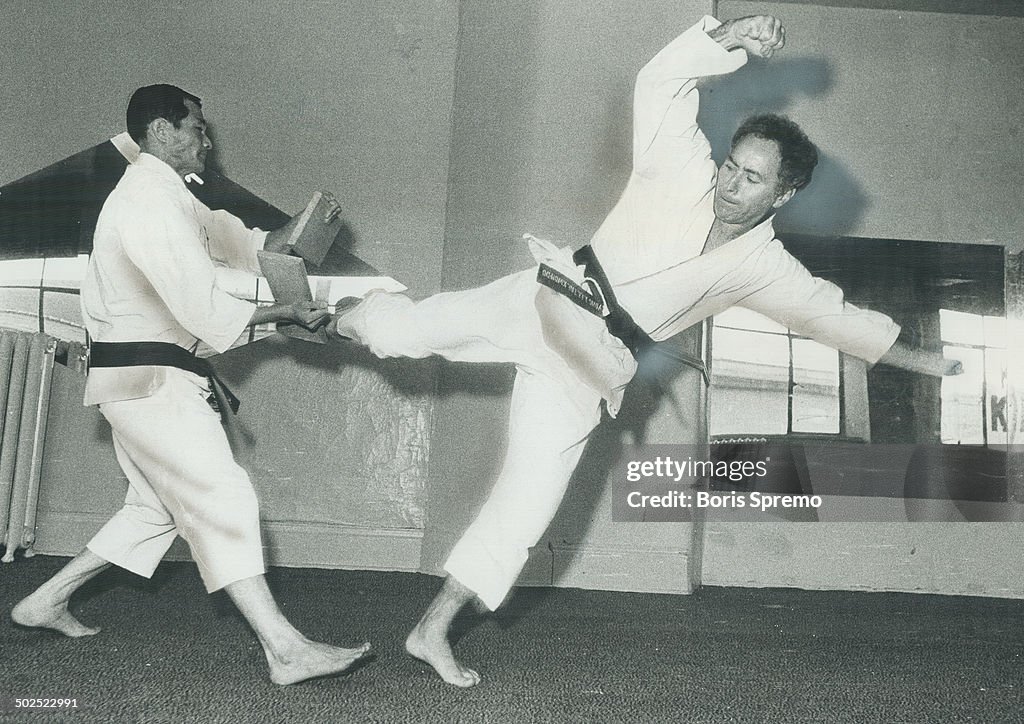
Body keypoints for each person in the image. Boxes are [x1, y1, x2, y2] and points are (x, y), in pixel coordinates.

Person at [329, 15, 959, 686]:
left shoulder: (764, 267)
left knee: (526, 505)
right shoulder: (678, 165)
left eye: (753, 179)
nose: (730, 184)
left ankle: (431, 630)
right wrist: (733, 37)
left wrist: (930, 363)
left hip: (587, 364)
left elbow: (835, 319)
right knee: (394, 333)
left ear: (786, 193)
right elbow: (659, 79)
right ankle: (309, 303)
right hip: (542, 297)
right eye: (732, 166)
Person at [10, 84, 370, 686]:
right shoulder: (146, 200)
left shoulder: (176, 199)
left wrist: (307, 229)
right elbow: (201, 307)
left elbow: (253, 248)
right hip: (150, 375)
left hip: (138, 377)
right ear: (160, 131)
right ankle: (285, 649)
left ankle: (43, 601)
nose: (207, 140)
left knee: (153, 508)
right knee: (222, 496)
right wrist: (286, 316)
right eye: (196, 128)